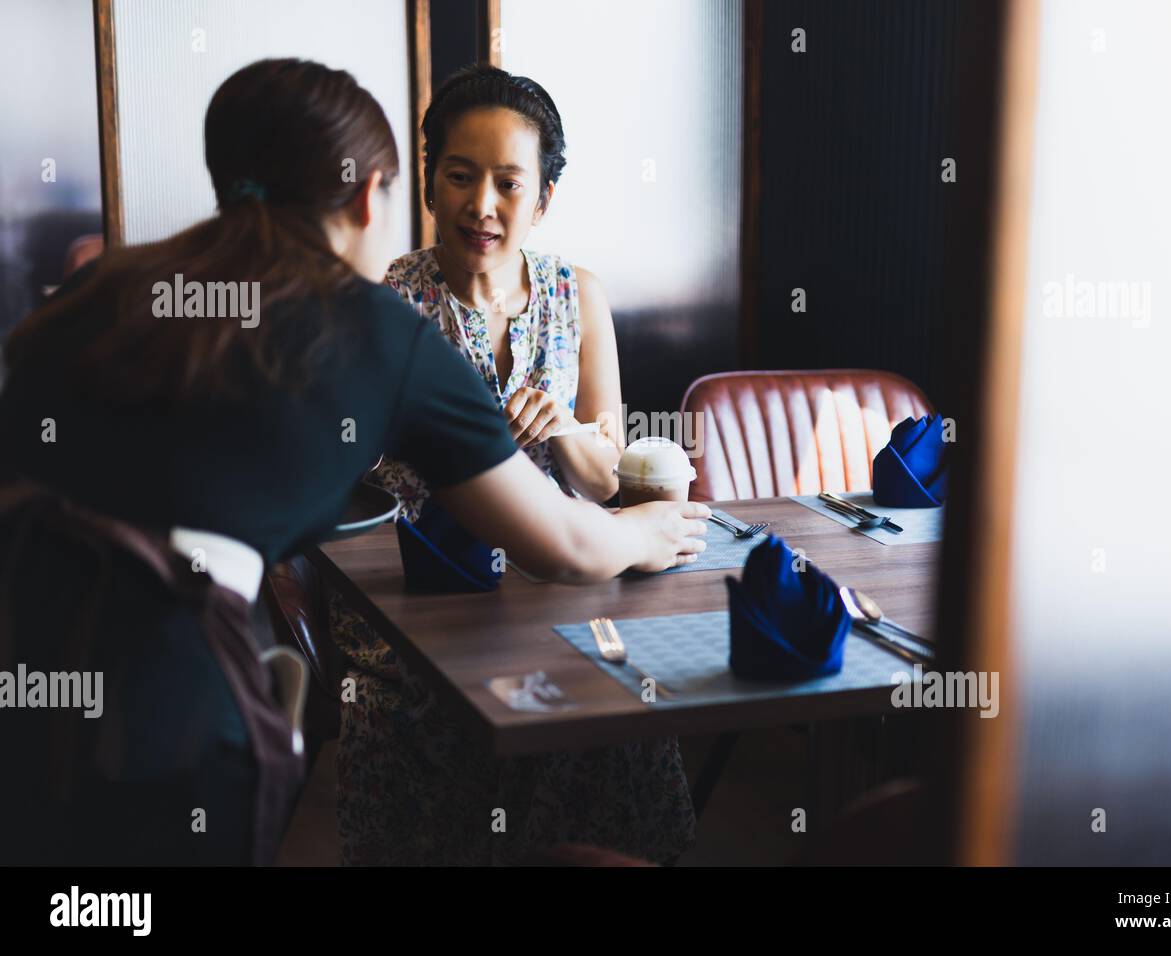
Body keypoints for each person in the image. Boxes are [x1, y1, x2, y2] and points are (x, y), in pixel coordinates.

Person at [0, 57, 708, 865]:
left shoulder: (109, 286)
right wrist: (651, 531)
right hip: (168, 708)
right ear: (375, 195)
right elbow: (568, 546)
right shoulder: (376, 325)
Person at [331, 64, 700, 866]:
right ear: (429, 183)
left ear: (543, 198)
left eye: (508, 182)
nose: (482, 205)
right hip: (424, 597)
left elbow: (606, 480)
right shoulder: (389, 309)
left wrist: (565, 427)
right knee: (436, 718)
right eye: (461, 177)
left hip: (562, 581)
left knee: (620, 707)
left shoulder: (580, 296)